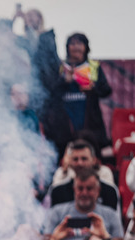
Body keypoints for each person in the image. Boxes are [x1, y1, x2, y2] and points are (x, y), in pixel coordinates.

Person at [40, 32, 112, 161]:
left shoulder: (93, 67)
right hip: (64, 126)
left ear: (86, 47)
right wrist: (63, 82)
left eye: (79, 43)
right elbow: (50, 94)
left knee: (89, 159)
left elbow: (106, 91)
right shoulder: (60, 67)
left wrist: (93, 88)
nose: (76, 47)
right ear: (67, 47)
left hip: (89, 124)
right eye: (72, 43)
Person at [42, 167, 124, 240]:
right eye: (80, 188)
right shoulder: (57, 212)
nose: (84, 193)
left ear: (98, 190)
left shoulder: (111, 215)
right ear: (74, 190)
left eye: (89, 189)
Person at [46, 139, 120, 211]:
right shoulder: (58, 190)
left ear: (94, 160)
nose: (80, 163)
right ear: (70, 162)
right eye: (75, 159)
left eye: (84, 159)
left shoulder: (109, 190)